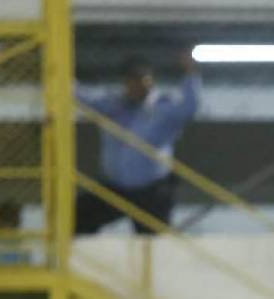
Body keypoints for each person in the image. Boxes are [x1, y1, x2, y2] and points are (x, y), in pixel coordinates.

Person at [74, 53, 200, 235]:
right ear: (125, 83)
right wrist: (56, 67)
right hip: (115, 188)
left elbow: (189, 107)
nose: (137, 85)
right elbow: (78, 95)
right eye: (132, 80)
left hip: (151, 191)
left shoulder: (163, 109)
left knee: (152, 245)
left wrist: (191, 73)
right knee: (76, 217)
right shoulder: (111, 105)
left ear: (151, 81)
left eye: (142, 79)